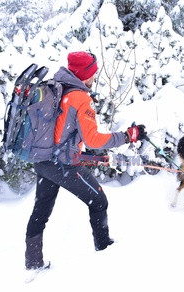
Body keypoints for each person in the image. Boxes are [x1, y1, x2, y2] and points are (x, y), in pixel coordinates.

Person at [25, 51, 147, 270]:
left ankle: (33, 262)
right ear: (84, 74)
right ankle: (105, 251)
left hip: (43, 161)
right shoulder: (81, 98)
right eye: (93, 72)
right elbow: (93, 140)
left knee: (40, 212)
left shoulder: (57, 86)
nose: (95, 75)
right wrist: (128, 136)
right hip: (63, 166)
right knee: (99, 201)